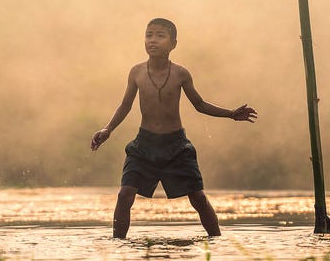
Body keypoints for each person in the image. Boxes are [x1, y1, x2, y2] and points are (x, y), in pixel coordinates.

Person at [90, 18, 257, 238]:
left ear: (173, 44)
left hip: (176, 146)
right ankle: (117, 244)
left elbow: (199, 104)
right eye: (149, 35)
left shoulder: (181, 74)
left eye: (160, 35)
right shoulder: (136, 72)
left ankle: (217, 241)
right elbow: (125, 105)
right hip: (144, 145)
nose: (153, 40)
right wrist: (107, 129)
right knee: (125, 194)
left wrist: (230, 114)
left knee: (198, 198)